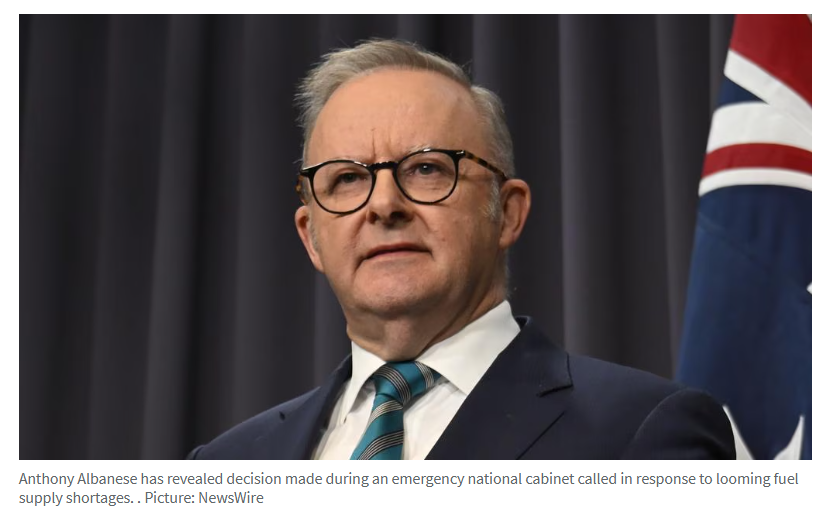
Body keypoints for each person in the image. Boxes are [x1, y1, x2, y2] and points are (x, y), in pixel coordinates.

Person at [188, 39, 735, 460]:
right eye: (348, 179)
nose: (384, 205)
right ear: (311, 235)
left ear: (508, 212)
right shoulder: (225, 464)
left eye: (426, 169)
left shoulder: (644, 431)